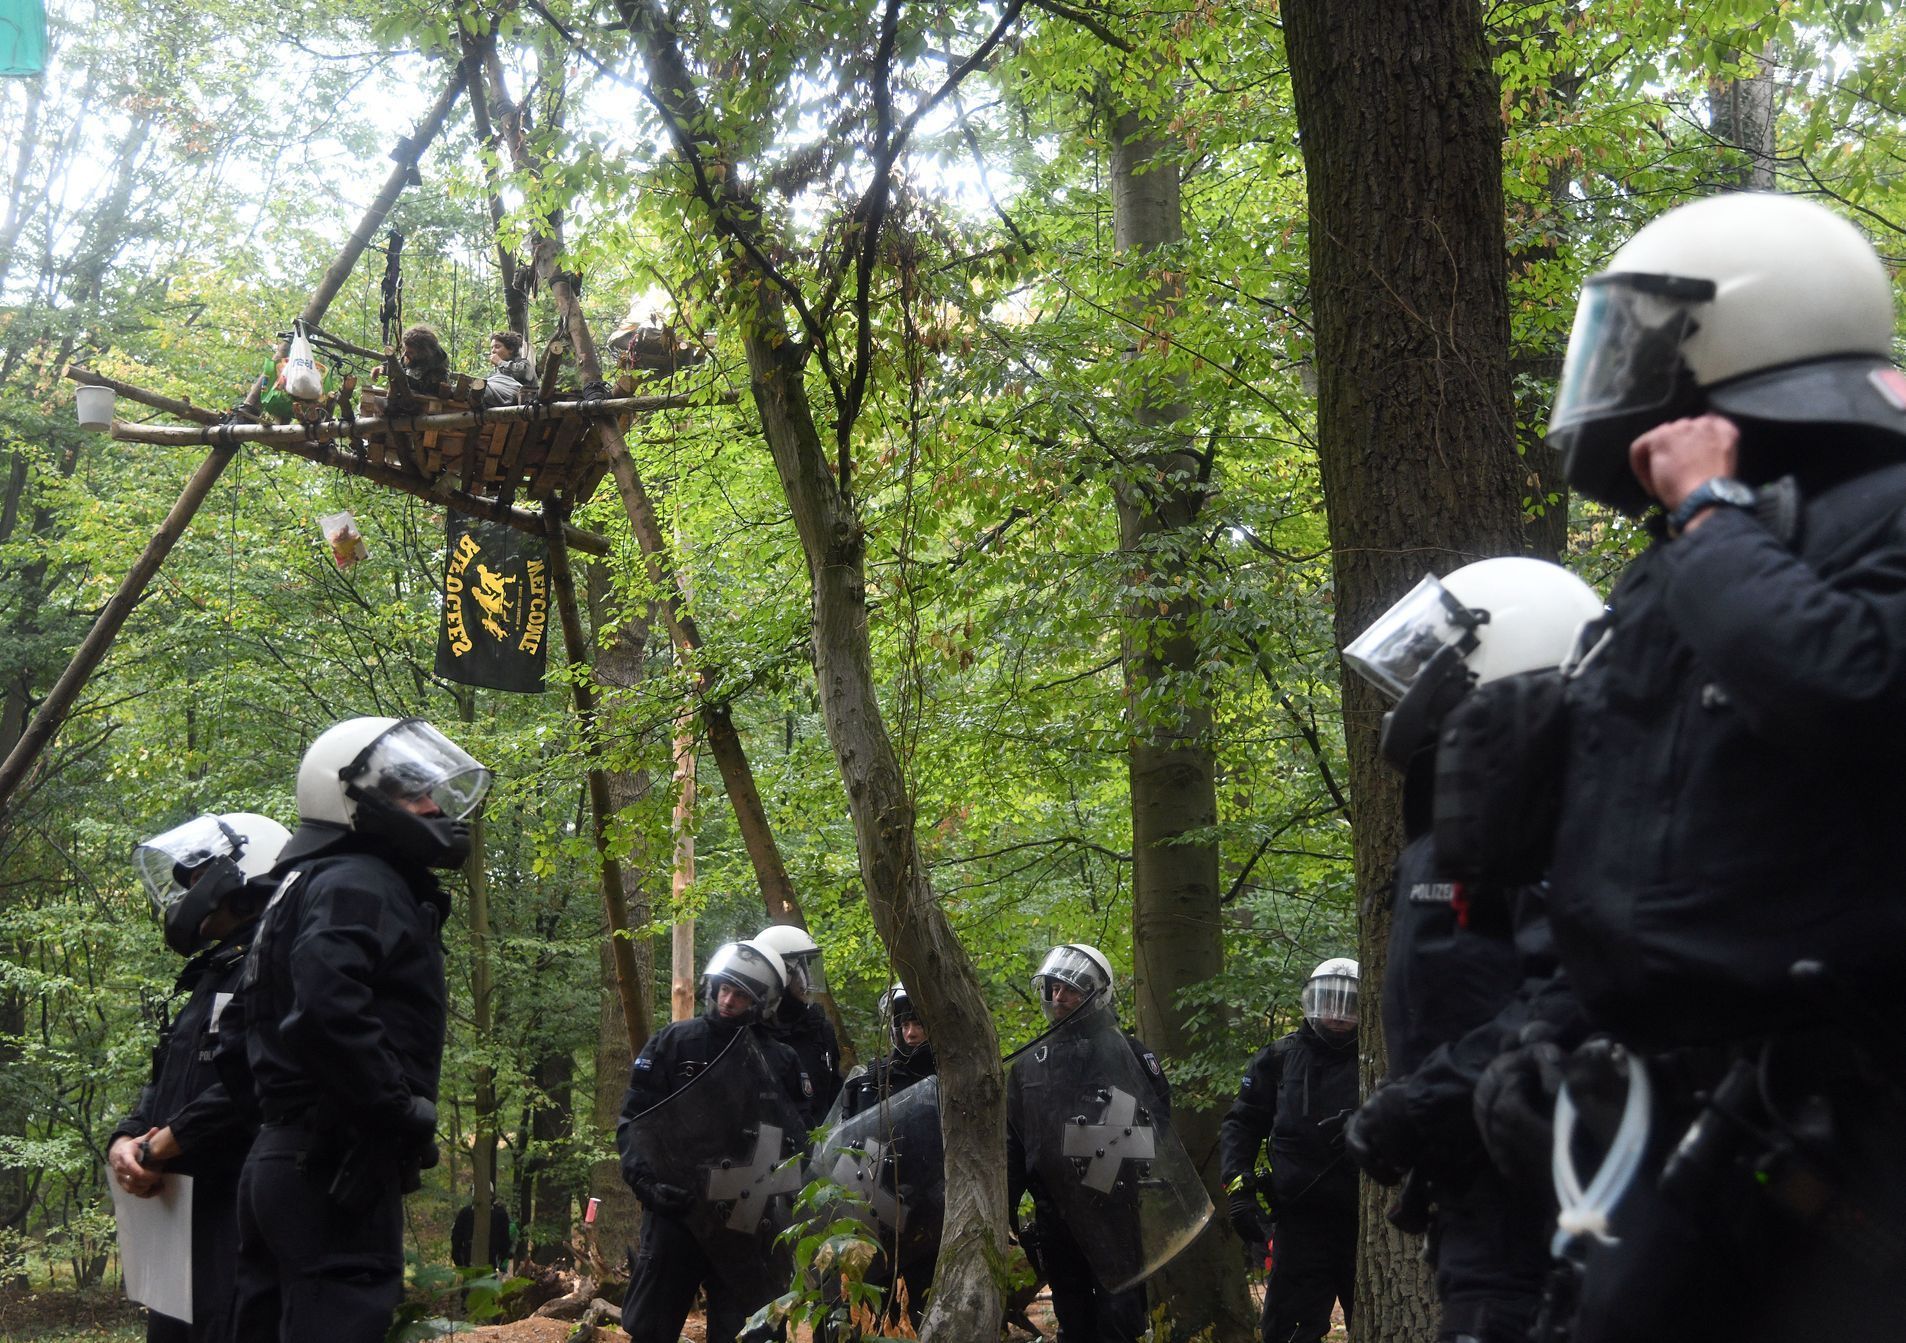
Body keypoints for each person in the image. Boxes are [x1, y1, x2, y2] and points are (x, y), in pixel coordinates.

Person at [1483, 190, 1906, 1343]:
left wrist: (1713, 519)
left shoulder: (1868, 514)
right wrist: (1552, 1036)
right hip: (1701, 1124)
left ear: (1738, 340)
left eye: (1640, 340)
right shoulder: (1676, 569)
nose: (1615, 373)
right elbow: (1621, 839)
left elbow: (1854, 681)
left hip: (1865, 1123)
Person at [1338, 558, 1602, 1343]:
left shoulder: (1555, 817)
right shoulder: (1475, 820)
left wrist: (1416, 1105)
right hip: (1480, 1195)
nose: (1409, 697)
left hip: (1544, 1201)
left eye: (1433, 669)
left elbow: (1572, 992)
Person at [229, 715, 492, 1343]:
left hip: (284, 1159)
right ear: (348, 798)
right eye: (411, 793)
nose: (432, 806)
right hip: (329, 1164)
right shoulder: (359, 881)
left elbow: (245, 1035)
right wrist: (397, 1111)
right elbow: (327, 1008)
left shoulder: (306, 885)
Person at [108, 811, 289, 1343]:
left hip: (240, 1213)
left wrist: (166, 1143)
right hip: (177, 1218)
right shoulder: (213, 975)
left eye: (196, 880)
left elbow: (257, 1078)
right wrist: (125, 1136)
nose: (186, 894)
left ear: (239, 883)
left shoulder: (274, 962)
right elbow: (167, 1082)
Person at [617, 940, 812, 1343]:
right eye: (724, 989)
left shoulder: (780, 1061)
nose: (727, 1000)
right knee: (649, 1329)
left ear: (761, 1002)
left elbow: (796, 1142)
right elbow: (635, 1122)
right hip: (677, 1211)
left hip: (745, 1222)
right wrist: (648, 1186)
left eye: (740, 995)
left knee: (743, 1334)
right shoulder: (673, 1043)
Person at [1007, 943, 1174, 1343]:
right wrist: (1007, 1209)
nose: (1059, 997)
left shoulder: (1130, 1055)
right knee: (1073, 1319)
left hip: (1113, 1213)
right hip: (1055, 1216)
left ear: (1097, 994)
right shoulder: (1031, 1062)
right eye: (1053, 988)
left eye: (1071, 989)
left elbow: (1158, 1127)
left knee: (1121, 1320)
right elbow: (1013, 1141)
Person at [1220, 959, 1359, 1343]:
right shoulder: (1279, 1059)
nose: (1336, 1014)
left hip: (1366, 1226)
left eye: (1348, 1004)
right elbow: (1242, 1124)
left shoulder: (1382, 1059)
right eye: (1327, 1002)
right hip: (1298, 1225)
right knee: (1287, 1333)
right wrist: (1239, 1190)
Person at [831, 983, 940, 1333]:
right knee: (874, 1314)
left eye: (919, 1023)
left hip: (933, 1215)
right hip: (878, 1213)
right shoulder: (869, 1082)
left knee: (923, 1310)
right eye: (904, 1023)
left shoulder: (952, 1077)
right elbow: (843, 1152)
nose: (910, 1032)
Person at [752, 923, 843, 1125]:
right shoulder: (750, 1034)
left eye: (809, 967)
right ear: (778, 976)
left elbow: (835, 1094)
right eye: (800, 970)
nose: (807, 980)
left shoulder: (820, 1029)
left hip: (820, 1146)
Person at [481, 330, 532, 407]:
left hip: (510, 398)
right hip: (491, 396)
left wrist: (500, 362)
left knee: (481, 390)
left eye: (497, 347)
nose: (493, 351)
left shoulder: (524, 364)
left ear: (511, 349)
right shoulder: (498, 372)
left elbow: (524, 374)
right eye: (492, 348)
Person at [398, 323, 449, 396]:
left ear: (423, 352)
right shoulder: (410, 356)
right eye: (405, 350)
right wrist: (383, 368)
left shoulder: (438, 364)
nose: (405, 354)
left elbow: (429, 389)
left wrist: (402, 378)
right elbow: (398, 365)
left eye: (411, 352)